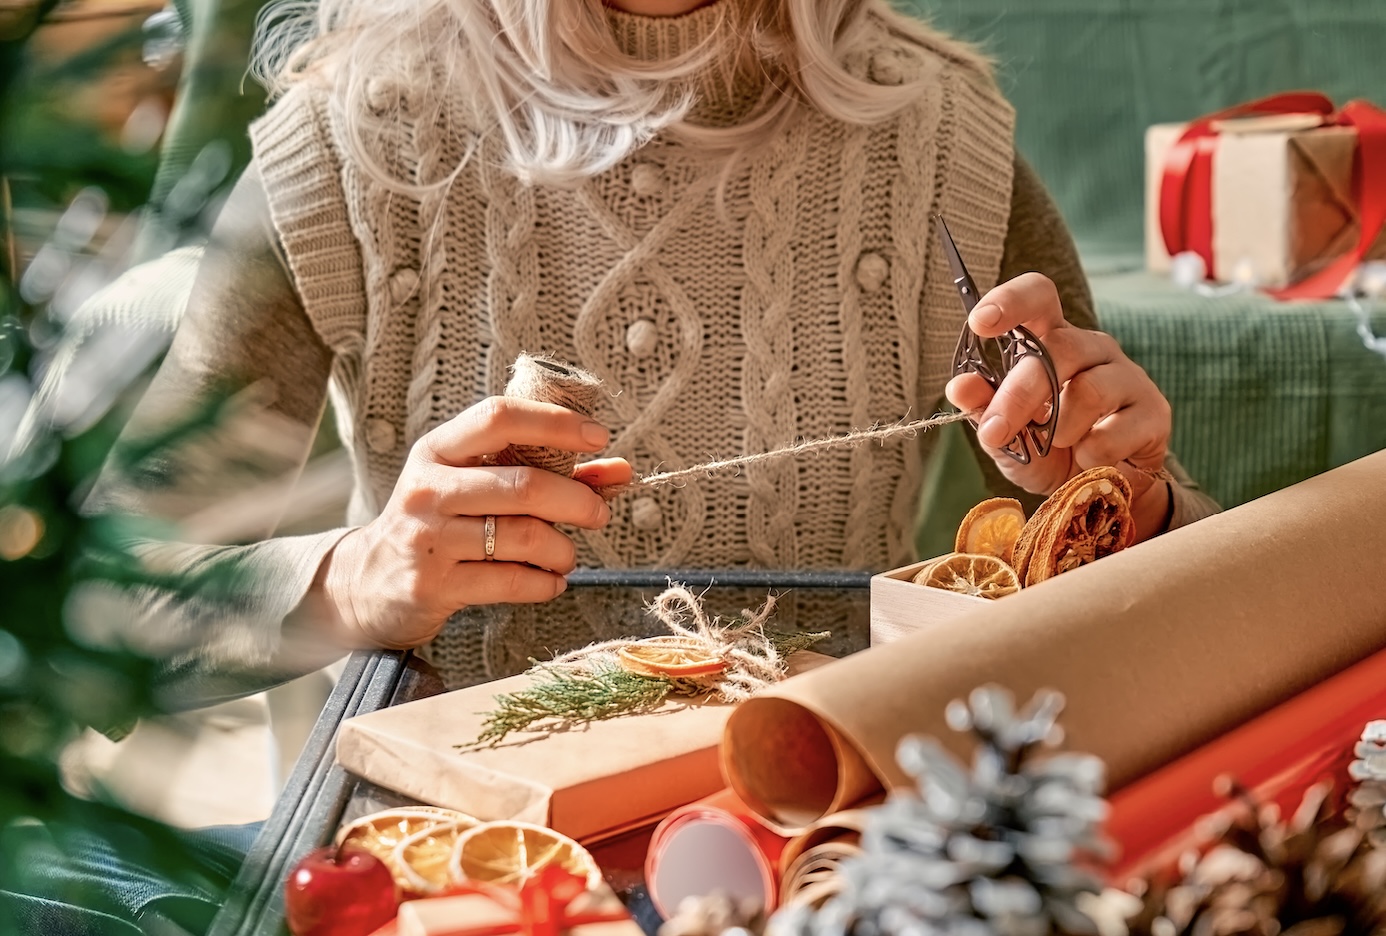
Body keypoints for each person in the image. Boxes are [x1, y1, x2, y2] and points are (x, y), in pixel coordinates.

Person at [88, 0, 1218, 703]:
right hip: (475, 866)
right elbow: (101, 613)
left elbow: (1165, 618)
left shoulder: (941, 139)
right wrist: (361, 575)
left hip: (822, 827)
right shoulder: (346, 142)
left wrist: (1127, 511)